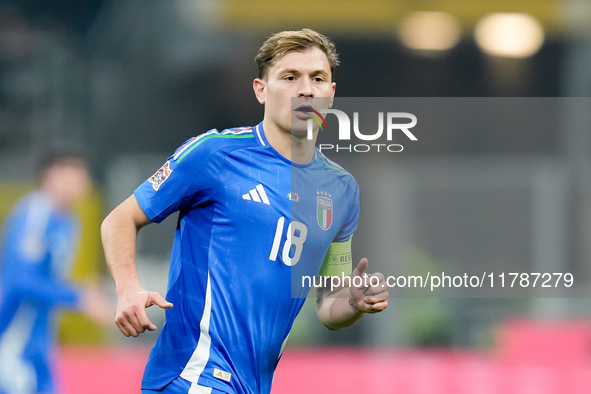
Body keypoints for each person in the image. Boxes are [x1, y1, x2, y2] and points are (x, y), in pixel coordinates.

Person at [101, 28, 389, 394]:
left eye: (318, 78)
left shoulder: (341, 189)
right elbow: (120, 220)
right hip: (193, 375)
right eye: (289, 77)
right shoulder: (215, 154)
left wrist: (354, 301)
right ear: (261, 90)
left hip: (251, 384)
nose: (306, 89)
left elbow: (329, 304)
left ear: (330, 94)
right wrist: (128, 290)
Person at [0, 149, 109, 394]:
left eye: (84, 175)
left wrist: (83, 290)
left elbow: (48, 280)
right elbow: (20, 280)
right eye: (73, 174)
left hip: (39, 339)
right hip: (12, 336)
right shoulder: (35, 212)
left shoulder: (70, 221)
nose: (81, 182)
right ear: (49, 176)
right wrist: (79, 297)